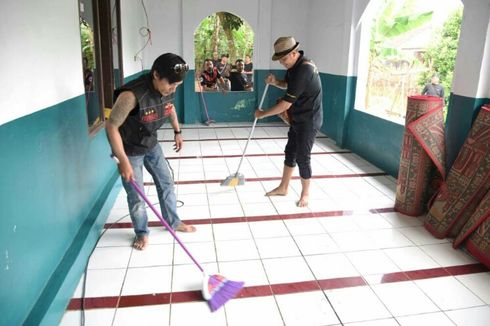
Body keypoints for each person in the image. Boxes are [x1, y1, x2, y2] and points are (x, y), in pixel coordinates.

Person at [106, 53, 196, 251]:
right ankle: (141, 232)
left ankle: (173, 221)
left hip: (151, 143)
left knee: (166, 181)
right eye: (170, 84)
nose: (173, 89)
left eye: (177, 86)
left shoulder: (169, 87)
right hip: (130, 149)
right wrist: (122, 160)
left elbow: (169, 107)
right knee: (136, 195)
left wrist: (177, 131)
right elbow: (111, 126)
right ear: (156, 74)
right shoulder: (131, 95)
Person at [254, 36, 323, 207]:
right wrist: (276, 81)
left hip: (309, 120)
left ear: (294, 53)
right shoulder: (295, 66)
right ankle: (283, 187)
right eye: (280, 60)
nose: (282, 63)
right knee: (290, 151)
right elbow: (289, 85)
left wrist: (263, 114)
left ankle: (305, 194)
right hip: (298, 116)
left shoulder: (305, 69)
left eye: (284, 59)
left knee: (302, 157)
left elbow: (285, 103)